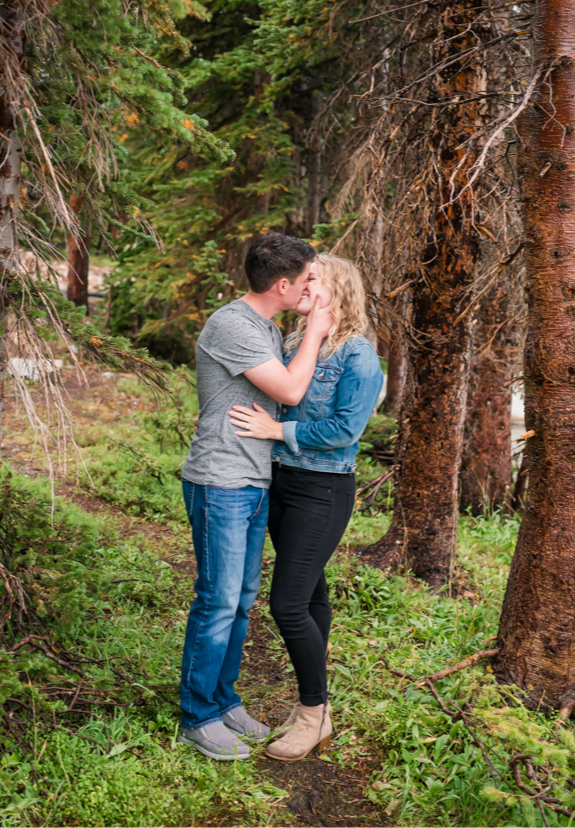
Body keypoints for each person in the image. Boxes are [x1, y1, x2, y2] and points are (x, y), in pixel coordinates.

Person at [175, 232, 335, 761]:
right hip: (220, 480)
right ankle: (198, 716)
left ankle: (223, 701)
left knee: (240, 602)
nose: (315, 286)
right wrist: (315, 330)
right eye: (309, 278)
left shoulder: (263, 327)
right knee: (217, 601)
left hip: (252, 478)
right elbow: (289, 391)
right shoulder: (232, 324)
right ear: (284, 284)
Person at [228, 253, 384, 761]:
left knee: (287, 604)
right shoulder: (294, 343)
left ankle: (313, 713)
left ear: (335, 291)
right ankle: (313, 707)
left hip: (323, 490)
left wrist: (279, 431)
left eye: (311, 279)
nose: (299, 285)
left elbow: (344, 430)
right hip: (280, 484)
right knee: (312, 596)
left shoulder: (358, 355)